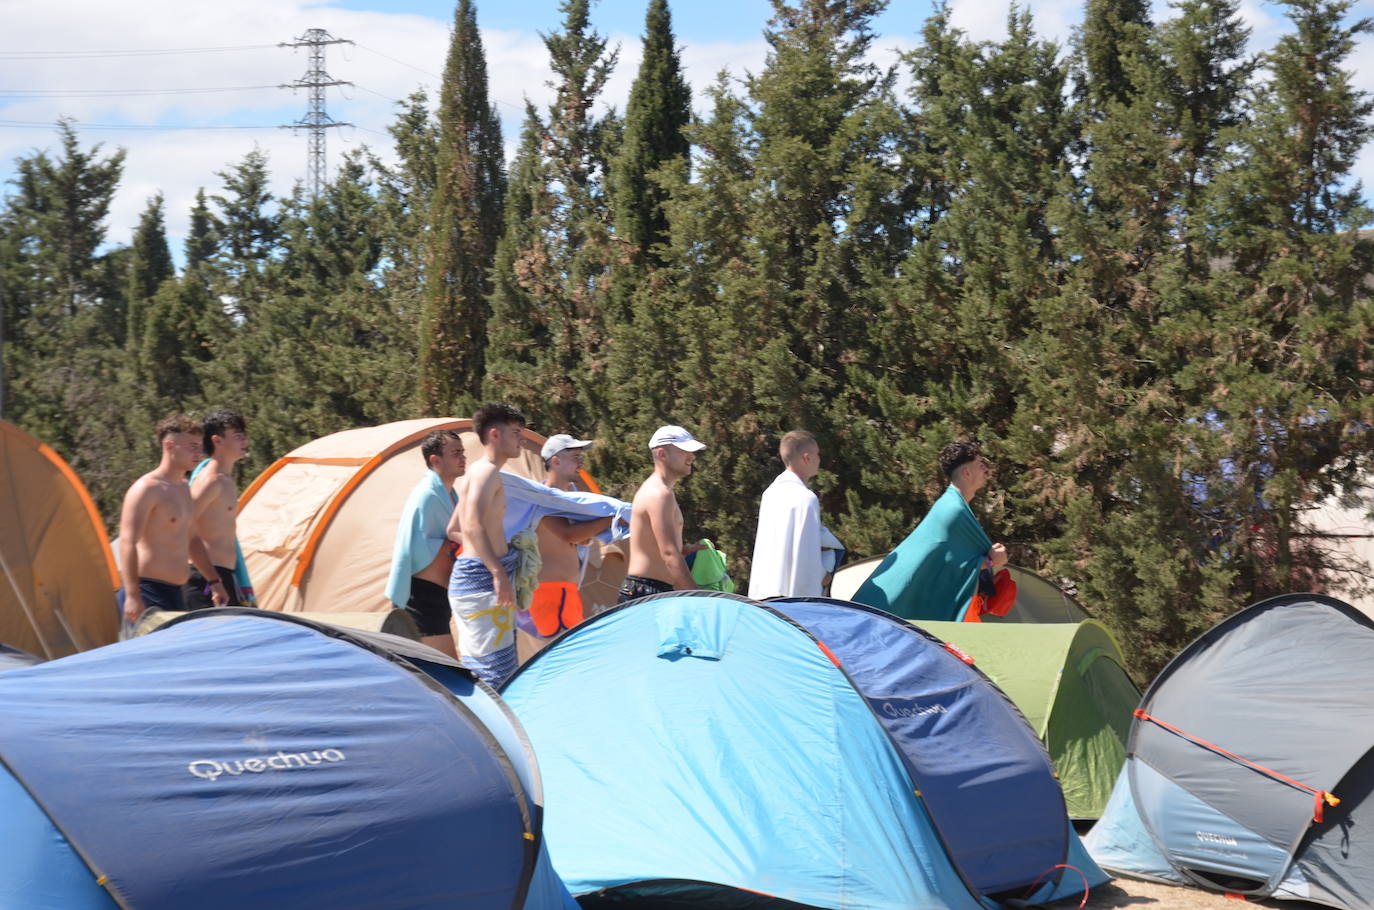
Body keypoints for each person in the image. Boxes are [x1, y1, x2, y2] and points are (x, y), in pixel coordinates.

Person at [851, 441, 1011, 621]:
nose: (986, 471)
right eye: (981, 466)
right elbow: (948, 566)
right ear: (967, 473)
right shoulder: (952, 510)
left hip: (893, 602)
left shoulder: (953, 505)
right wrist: (991, 562)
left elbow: (948, 562)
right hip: (890, 605)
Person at [119, 415, 224, 632]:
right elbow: (127, 542)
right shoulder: (148, 489)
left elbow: (192, 538)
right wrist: (132, 595)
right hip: (147, 591)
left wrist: (214, 581)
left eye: (200, 446)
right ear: (169, 446)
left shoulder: (184, 488)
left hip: (176, 592)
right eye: (192, 447)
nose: (199, 453)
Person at [449, 403, 526, 686]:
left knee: (490, 668)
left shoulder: (478, 472)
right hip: (481, 582)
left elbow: (453, 529)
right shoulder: (486, 473)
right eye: (516, 433)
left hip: (476, 579)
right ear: (495, 434)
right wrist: (497, 571)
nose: (522, 439)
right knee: (493, 675)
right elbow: (470, 525)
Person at [523, 434, 614, 640]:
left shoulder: (571, 498)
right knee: (559, 658)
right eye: (575, 456)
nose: (581, 461)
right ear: (555, 461)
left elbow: (577, 539)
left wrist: (587, 534)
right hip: (550, 593)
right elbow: (568, 535)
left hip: (567, 592)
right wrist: (612, 518)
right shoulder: (543, 498)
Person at [386, 428, 466, 657]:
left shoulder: (451, 495)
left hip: (438, 597)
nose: (463, 458)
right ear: (435, 460)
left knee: (439, 674)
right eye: (455, 453)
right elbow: (408, 546)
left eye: (463, 452)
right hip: (420, 598)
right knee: (448, 673)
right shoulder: (426, 496)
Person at [619, 425, 706, 603]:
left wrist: (683, 550)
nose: (692, 456)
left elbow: (663, 549)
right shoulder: (659, 494)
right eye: (684, 451)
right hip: (645, 592)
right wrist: (700, 599)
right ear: (661, 454)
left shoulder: (661, 491)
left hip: (647, 590)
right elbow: (669, 553)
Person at [184, 409, 250, 610]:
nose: (244, 442)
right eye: (237, 436)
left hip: (222, 576)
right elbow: (182, 525)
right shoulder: (211, 481)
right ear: (217, 440)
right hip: (206, 579)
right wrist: (213, 581)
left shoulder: (225, 480)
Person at [748, 430, 825, 599]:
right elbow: (807, 558)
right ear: (807, 458)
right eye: (817, 454)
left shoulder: (770, 494)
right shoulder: (806, 499)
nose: (819, 459)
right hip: (792, 598)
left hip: (763, 593)